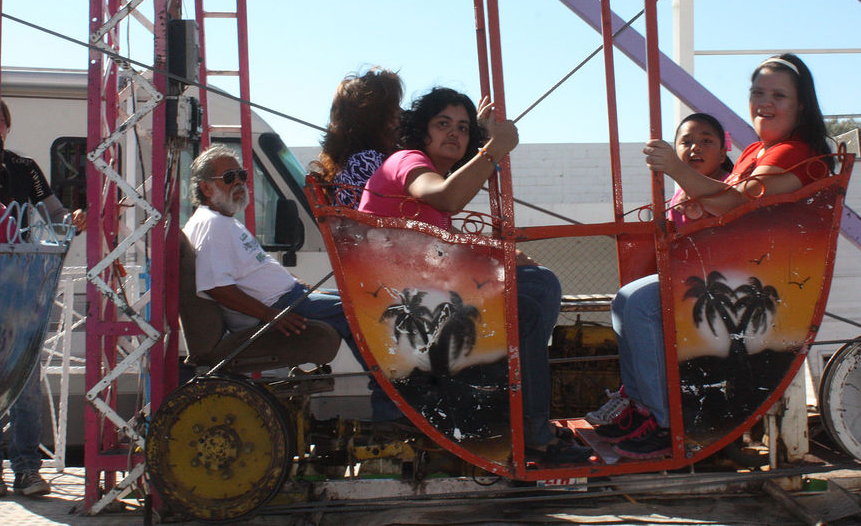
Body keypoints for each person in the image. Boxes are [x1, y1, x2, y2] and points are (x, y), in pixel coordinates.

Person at [592, 54, 832, 460]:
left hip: (753, 280)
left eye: (778, 95)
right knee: (628, 298)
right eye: (758, 93)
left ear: (801, 105)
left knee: (642, 305)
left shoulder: (792, 152)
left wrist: (676, 168)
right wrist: (704, 205)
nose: (765, 103)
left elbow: (736, 202)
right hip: (730, 268)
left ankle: (665, 422)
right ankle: (641, 405)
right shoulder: (758, 150)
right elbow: (728, 203)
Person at [358, 87, 590, 465]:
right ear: (422, 131)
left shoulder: (432, 172)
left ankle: (525, 420)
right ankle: (532, 430)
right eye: (443, 124)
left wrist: (498, 255)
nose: (454, 134)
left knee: (535, 285)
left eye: (464, 128)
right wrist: (495, 148)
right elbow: (447, 198)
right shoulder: (408, 161)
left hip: (416, 294)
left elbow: (436, 249)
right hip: (403, 306)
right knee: (531, 302)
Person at [182, 145, 401, 422]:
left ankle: (395, 399)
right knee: (365, 312)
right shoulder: (211, 224)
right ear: (205, 188)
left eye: (241, 175)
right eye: (228, 177)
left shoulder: (224, 222)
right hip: (277, 307)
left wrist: (306, 291)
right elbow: (216, 286)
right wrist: (272, 316)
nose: (238, 182)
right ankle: (391, 409)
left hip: (290, 298)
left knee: (375, 301)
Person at [585, 112, 733, 428]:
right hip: (686, 276)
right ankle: (634, 397)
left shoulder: (724, 186)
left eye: (706, 141)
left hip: (715, 280)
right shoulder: (681, 190)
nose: (696, 148)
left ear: (722, 152)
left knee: (638, 305)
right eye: (687, 141)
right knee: (624, 298)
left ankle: (660, 417)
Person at [0, 100, 86, 498]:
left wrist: (75, 221)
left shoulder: (24, 168)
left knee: (24, 382)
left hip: (21, 292)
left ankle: (27, 470)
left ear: (7, 127)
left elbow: (55, 218)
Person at [310, 67, 404, 207]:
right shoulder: (367, 161)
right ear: (376, 117)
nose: (400, 114)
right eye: (394, 109)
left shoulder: (348, 163)